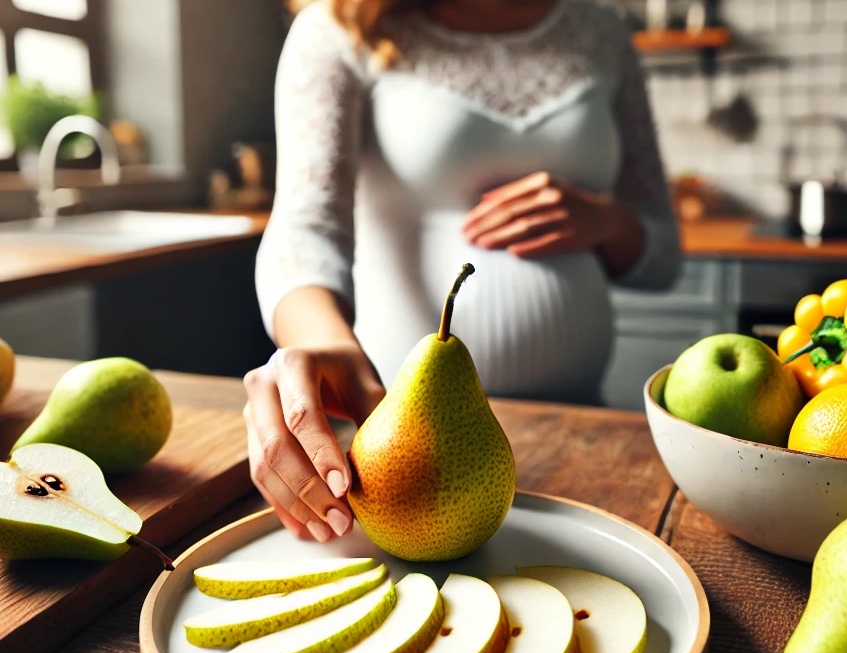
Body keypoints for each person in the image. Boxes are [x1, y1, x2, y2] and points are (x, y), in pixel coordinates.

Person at [243, 0, 683, 544]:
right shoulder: (338, 27)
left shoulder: (601, 32)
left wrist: (608, 223)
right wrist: (321, 344)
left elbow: (664, 256)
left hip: (585, 426)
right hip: (408, 459)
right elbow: (302, 234)